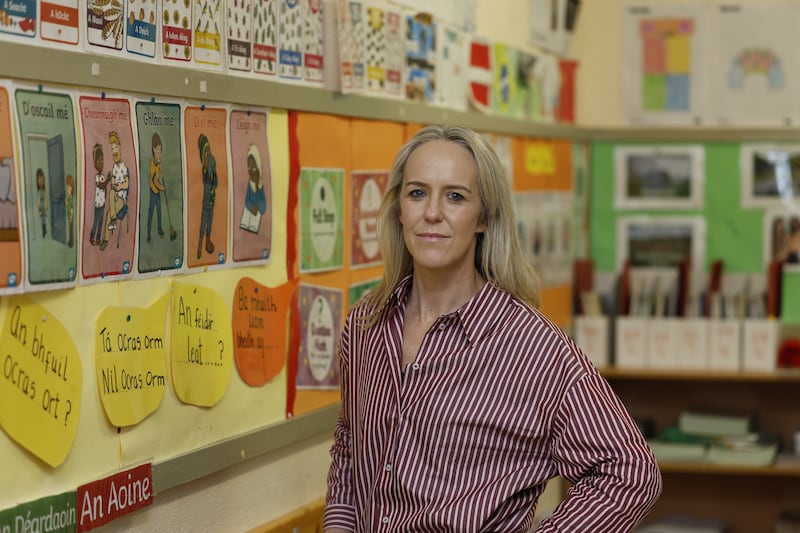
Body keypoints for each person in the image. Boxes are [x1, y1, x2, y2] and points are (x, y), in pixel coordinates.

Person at [323, 125, 662, 532]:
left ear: (483, 218)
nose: (432, 212)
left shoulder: (533, 347)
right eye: (417, 193)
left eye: (455, 196)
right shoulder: (365, 326)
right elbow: (350, 445)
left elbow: (631, 472)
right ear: (399, 210)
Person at [101, 130, 130, 251]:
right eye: (112, 149)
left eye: (115, 148)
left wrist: (119, 186)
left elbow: (127, 184)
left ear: (119, 147)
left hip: (121, 199)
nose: (114, 151)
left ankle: (106, 238)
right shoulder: (114, 167)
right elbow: (113, 182)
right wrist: (113, 182)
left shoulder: (123, 167)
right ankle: (108, 234)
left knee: (108, 212)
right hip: (114, 197)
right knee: (112, 193)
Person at [197, 133, 218, 259]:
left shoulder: (212, 166)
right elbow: (207, 183)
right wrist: (209, 171)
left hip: (212, 199)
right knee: (204, 220)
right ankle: (200, 243)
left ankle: (208, 240)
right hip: (206, 201)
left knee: (210, 220)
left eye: (209, 150)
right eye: (206, 151)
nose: (209, 153)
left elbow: (215, 184)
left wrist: (214, 173)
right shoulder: (205, 169)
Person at [147, 132, 166, 242]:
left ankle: (159, 229)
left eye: (160, 151)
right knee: (151, 212)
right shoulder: (152, 163)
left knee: (159, 211)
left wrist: (161, 168)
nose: (159, 153)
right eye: (157, 151)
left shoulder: (158, 163)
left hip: (157, 193)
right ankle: (149, 234)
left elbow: (160, 172)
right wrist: (162, 187)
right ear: (154, 150)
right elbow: (154, 180)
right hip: (153, 192)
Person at [35, 167, 47, 238]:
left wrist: (46, 208)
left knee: (44, 220)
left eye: (42, 180)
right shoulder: (39, 192)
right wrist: (39, 210)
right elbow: (38, 202)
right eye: (39, 181)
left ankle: (44, 230)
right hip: (41, 209)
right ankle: (44, 231)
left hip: (44, 209)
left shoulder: (44, 191)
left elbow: (45, 200)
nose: (41, 182)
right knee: (43, 220)